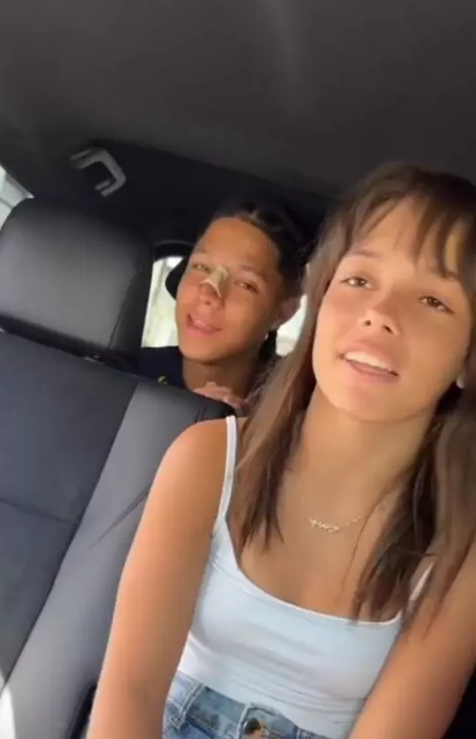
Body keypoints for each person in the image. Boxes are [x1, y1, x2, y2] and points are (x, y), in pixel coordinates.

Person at [88, 163, 476, 739]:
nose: (380, 314)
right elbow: (130, 691)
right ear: (321, 302)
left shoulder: (460, 546)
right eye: (359, 280)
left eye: (433, 300)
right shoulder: (208, 458)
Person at [139, 200, 307, 412]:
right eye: (201, 266)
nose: (208, 292)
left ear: (283, 312)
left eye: (245, 284)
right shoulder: (128, 377)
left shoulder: (296, 409)